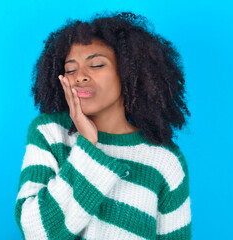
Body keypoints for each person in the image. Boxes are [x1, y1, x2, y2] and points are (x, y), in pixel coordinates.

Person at [14, 11, 192, 240]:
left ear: (128, 72)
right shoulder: (49, 134)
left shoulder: (165, 160)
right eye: (70, 69)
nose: (80, 77)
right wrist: (87, 143)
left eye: (96, 65)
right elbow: (37, 232)